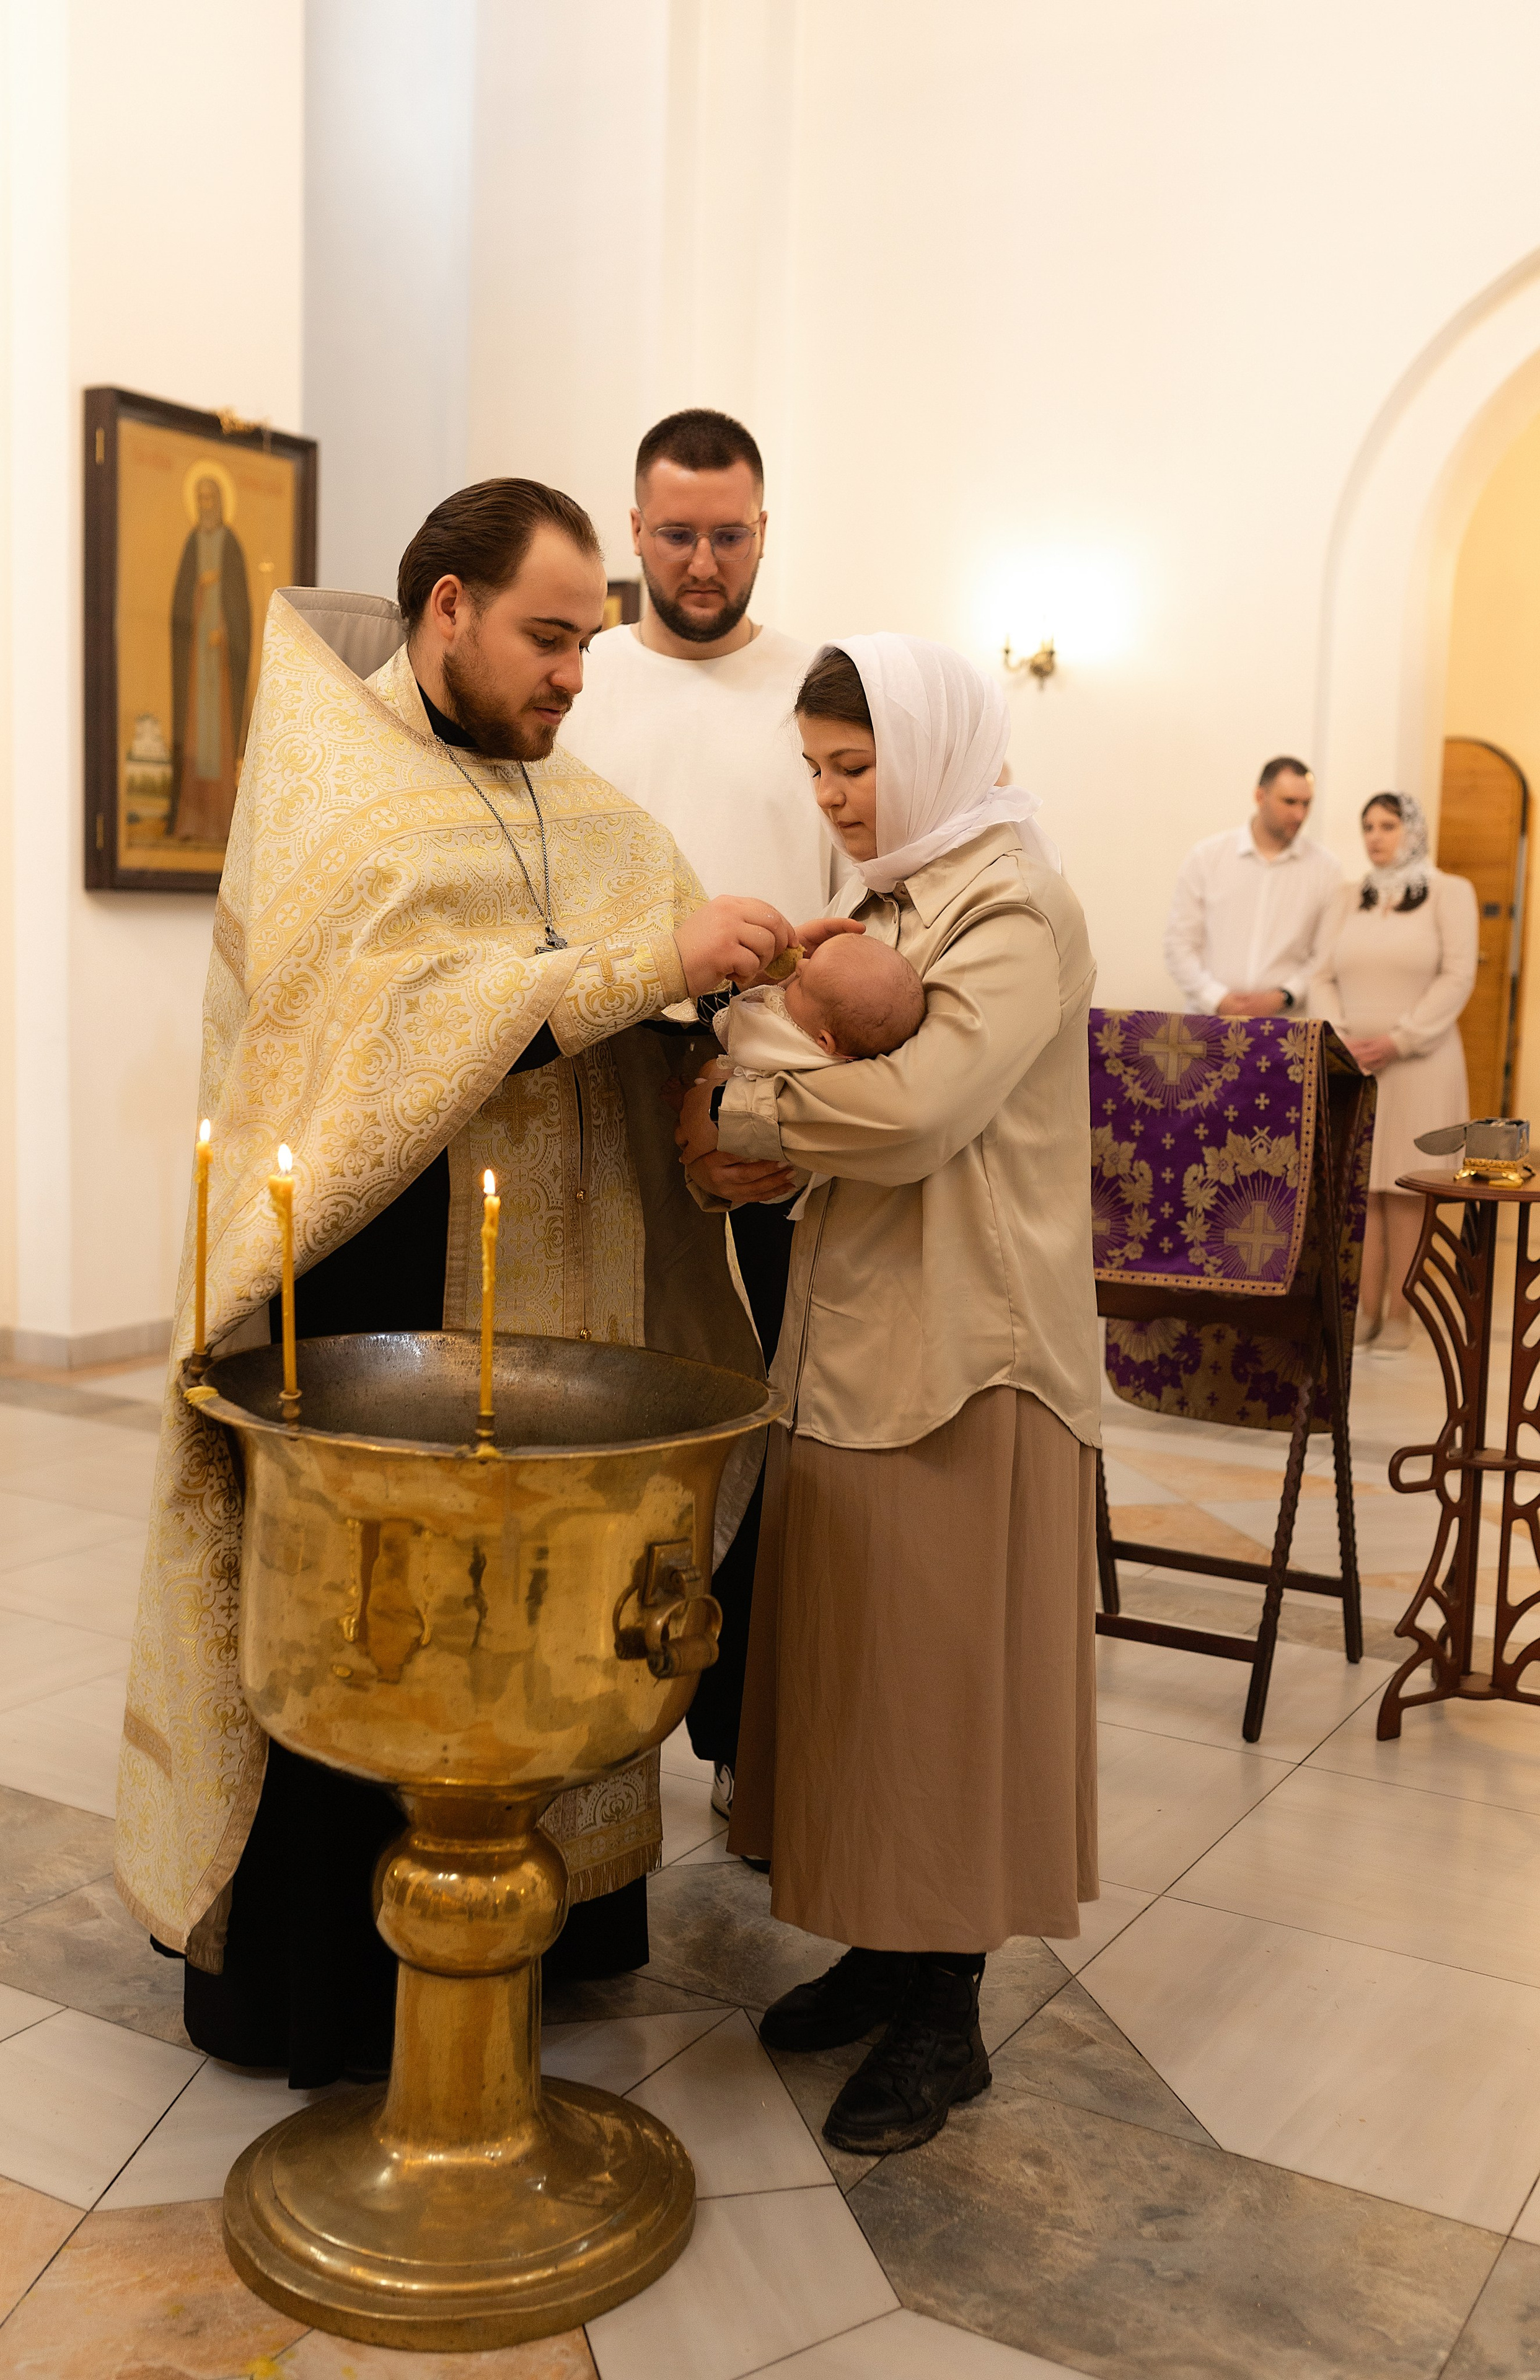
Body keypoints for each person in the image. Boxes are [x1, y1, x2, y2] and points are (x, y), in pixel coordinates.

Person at [115, 476, 793, 2087]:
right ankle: (329, 1990)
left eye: (587, 645)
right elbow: (396, 1031)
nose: (574, 675)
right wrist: (648, 963)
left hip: (561, 1299)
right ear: (447, 611)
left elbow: (640, 963)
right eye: (547, 638)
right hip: (376, 1287)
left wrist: (722, 1068)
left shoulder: (582, 802)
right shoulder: (338, 782)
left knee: (541, 1604)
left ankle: (539, 1932)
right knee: (381, 1618)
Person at [680, 635, 1101, 2156]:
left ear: (927, 751)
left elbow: (917, 1112)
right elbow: (810, 1063)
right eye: (815, 769)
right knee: (864, 1672)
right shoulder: (885, 899)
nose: (834, 797)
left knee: (946, 1684)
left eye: (854, 766)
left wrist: (742, 1113)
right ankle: (880, 1946)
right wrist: (762, 1113)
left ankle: (947, 2012)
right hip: (856, 1336)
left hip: (971, 1349)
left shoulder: (1015, 904)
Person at [561, 408, 845, 1818]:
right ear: (634, 529)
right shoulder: (581, 681)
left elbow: (854, 904)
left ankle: (747, 1746)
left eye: (728, 535)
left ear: (763, 531)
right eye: (675, 534)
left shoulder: (818, 689)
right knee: (615, 1412)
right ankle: (590, 1730)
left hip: (778, 1093)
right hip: (603, 1089)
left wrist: (759, 1093)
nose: (701, 561)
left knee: (775, 1426)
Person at [1310, 791, 1478, 1354]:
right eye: (1368, 826)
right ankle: (1362, 1310)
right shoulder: (1346, 896)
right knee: (1361, 1188)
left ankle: (1403, 1314)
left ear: (1414, 831)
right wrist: (1339, 1038)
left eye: (1388, 825)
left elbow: (1457, 976)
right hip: (1355, 1063)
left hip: (1421, 1061)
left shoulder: (1451, 893)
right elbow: (1320, 975)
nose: (1376, 836)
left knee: (1406, 1188)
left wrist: (1399, 1039)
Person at [704, 937, 927, 1214]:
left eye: (801, 985)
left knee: (710, 1073)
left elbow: (738, 1031)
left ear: (824, 1041)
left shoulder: (795, 1046)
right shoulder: (851, 1044)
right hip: (780, 1156)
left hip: (765, 1165)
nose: (800, 966)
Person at [1163, 756, 1341, 1016]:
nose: (1300, 814)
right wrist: (1217, 998)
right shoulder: (1207, 858)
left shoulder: (1326, 869)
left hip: (1283, 1024)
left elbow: (1325, 956)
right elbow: (1179, 943)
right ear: (1260, 797)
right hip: (1208, 1019)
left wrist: (1283, 996)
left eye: (1306, 803)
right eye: (1289, 802)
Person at [170, 472, 252, 843]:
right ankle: (191, 821)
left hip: (220, 659)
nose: (205, 505)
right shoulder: (193, 542)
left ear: (220, 502)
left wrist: (227, 632)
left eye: (210, 498)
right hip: (196, 656)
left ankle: (220, 823)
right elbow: (180, 604)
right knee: (195, 732)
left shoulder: (229, 543)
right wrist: (199, 592)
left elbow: (239, 604)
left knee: (218, 736)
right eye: (200, 498)